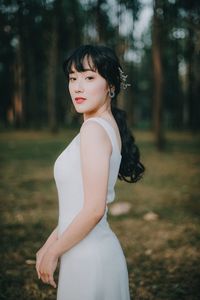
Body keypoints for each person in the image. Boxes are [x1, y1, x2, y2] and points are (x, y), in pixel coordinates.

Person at [36, 44, 145, 300]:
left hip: (89, 258)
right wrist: (50, 244)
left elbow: (95, 209)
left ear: (110, 86)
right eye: (73, 78)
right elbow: (78, 207)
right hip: (85, 250)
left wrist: (54, 253)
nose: (78, 87)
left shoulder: (94, 130)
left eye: (89, 77)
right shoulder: (105, 126)